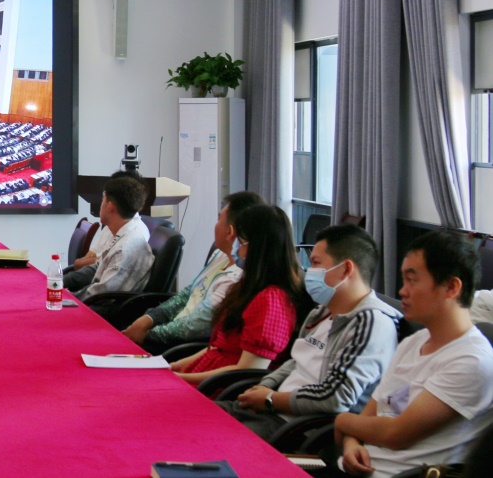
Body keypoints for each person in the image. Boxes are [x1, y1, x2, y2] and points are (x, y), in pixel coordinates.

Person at [335, 231, 493, 477]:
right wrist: (351, 442)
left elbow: (396, 434)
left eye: (412, 280)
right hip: (355, 468)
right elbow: (369, 416)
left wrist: (342, 421)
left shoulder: (473, 360)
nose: (402, 291)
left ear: (451, 287)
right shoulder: (413, 342)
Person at [229, 224, 401, 438]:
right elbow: (296, 361)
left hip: (297, 428)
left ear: (346, 269)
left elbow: (336, 398)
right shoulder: (322, 313)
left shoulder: (371, 324)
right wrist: (261, 390)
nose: (309, 272)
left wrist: (271, 399)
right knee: (196, 416)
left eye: (316, 263)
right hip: (270, 411)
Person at [170, 204, 301, 385]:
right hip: (204, 379)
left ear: (258, 248)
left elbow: (248, 371)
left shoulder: (271, 300)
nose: (236, 249)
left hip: (218, 389)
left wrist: (182, 379)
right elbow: (217, 346)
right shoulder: (248, 285)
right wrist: (176, 367)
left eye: (240, 242)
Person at [121, 190, 263, 352]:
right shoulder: (220, 255)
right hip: (167, 331)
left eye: (219, 219)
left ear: (229, 231)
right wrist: (148, 319)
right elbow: (188, 294)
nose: (215, 224)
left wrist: (148, 334)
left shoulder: (237, 279)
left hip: (180, 347)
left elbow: (198, 325)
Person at [76, 174, 153, 303]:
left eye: (102, 200)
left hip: (99, 311)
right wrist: (62, 287)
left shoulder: (124, 249)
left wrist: (67, 299)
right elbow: (97, 267)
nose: (100, 205)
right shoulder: (121, 233)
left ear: (110, 206)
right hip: (94, 302)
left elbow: (100, 296)